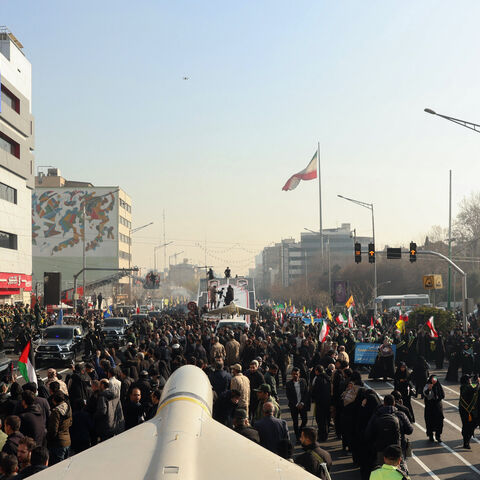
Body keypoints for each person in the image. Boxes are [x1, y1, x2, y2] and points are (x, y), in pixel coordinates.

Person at [365, 394, 413, 467]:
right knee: (400, 469)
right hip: (397, 447)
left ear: (384, 403)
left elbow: (368, 432)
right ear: (394, 403)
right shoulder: (400, 414)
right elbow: (410, 430)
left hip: (381, 448)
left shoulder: (376, 415)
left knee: (382, 469)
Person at [47, 391, 72, 465]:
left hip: (58, 443)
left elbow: (53, 430)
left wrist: (48, 438)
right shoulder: (68, 407)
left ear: (54, 400)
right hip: (67, 440)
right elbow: (71, 422)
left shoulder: (56, 412)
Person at [286, 367, 310, 441]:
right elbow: (289, 396)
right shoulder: (289, 384)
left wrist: (302, 403)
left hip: (302, 405)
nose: (295, 375)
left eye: (296, 374)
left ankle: (300, 432)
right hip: (294, 406)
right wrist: (297, 404)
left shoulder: (303, 381)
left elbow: (306, 393)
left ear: (299, 374)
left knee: (305, 420)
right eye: (293, 374)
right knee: (295, 422)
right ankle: (297, 437)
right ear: (291, 375)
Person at [310, 365, 331, 442]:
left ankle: (322, 436)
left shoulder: (318, 379)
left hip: (320, 402)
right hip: (328, 402)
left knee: (320, 420)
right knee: (326, 419)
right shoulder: (328, 378)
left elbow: (315, 391)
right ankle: (325, 433)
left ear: (317, 371)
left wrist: (313, 397)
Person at [459, 374, 478, 449]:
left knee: (471, 425)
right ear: (466, 380)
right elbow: (474, 389)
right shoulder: (464, 387)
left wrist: (476, 382)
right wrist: (478, 383)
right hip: (465, 410)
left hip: (471, 410)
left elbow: (474, 387)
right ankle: (465, 442)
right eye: (469, 379)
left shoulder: (468, 386)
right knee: (466, 426)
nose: (470, 380)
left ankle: (467, 440)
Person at [423, 375, 444, 442]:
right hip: (430, 407)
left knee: (439, 421)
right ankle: (430, 436)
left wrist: (438, 397)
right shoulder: (427, 385)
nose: (434, 381)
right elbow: (426, 394)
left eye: (435, 379)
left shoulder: (438, 386)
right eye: (433, 379)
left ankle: (438, 436)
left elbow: (442, 395)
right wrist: (429, 389)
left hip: (438, 407)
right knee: (429, 421)